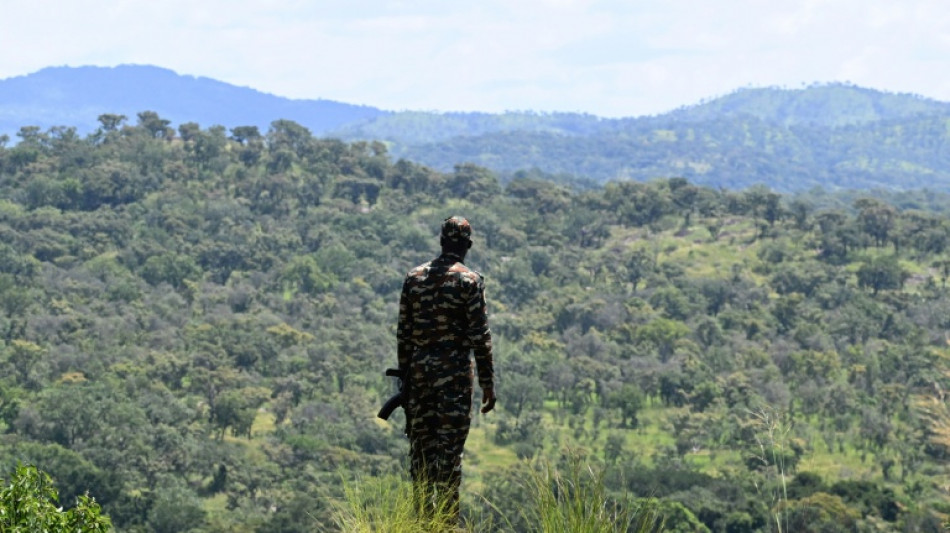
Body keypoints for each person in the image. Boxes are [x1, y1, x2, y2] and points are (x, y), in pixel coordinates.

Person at [396, 215, 496, 524]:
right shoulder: (469, 281)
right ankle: (446, 525)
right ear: (467, 245)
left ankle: (423, 522)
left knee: (421, 456)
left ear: (441, 241)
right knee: (449, 457)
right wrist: (488, 384)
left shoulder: (414, 278)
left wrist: (406, 380)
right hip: (453, 379)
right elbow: (480, 337)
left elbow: (403, 335)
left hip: (418, 379)